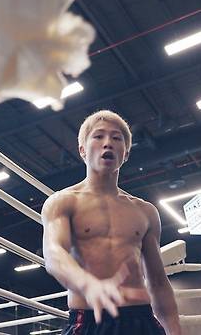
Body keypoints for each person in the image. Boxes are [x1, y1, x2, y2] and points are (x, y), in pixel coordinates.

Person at [42, 110, 181, 335]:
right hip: (89, 320)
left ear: (125, 153)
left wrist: (175, 330)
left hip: (141, 321)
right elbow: (54, 253)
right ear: (82, 150)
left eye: (116, 138)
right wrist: (88, 284)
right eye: (98, 136)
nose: (108, 143)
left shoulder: (145, 211)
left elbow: (158, 282)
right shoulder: (62, 202)